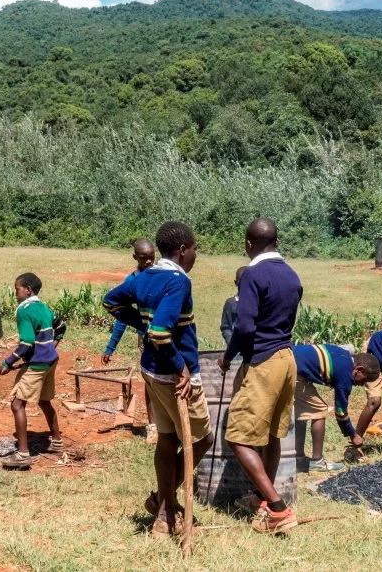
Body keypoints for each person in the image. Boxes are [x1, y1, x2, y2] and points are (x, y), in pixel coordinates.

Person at [103, 221, 213, 538]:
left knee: (167, 438)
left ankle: (163, 515)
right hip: (175, 376)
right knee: (203, 439)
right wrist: (181, 368)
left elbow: (111, 302)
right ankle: (165, 507)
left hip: (150, 371)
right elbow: (161, 332)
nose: (195, 255)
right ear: (182, 249)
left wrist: (140, 322)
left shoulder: (144, 277)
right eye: (194, 249)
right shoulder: (178, 282)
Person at [220, 217, 303, 534]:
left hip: (264, 362)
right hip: (287, 359)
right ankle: (261, 500)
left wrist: (228, 357)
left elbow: (244, 326)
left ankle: (278, 509)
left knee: (238, 437)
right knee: (271, 435)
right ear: (277, 242)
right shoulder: (292, 275)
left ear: (248, 244)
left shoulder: (253, 274)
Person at [0, 272, 63, 466]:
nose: (15, 293)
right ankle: (57, 442)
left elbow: (26, 342)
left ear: (28, 290)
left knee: (17, 405)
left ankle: (23, 455)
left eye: (17, 289)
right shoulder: (43, 307)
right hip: (51, 361)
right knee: (44, 401)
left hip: (38, 365)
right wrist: (50, 346)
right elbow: (61, 325)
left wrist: (8, 362)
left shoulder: (24, 310)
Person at [102, 238, 158, 444]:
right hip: (146, 339)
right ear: (135, 257)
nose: (149, 262)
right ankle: (153, 427)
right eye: (144, 258)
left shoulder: (161, 275)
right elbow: (122, 318)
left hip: (167, 336)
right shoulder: (132, 281)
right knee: (151, 382)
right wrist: (111, 347)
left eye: (152, 257)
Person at [291, 344, 379, 472]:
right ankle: (317, 462)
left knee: (304, 411)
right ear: (359, 370)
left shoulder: (344, 357)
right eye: (365, 380)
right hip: (294, 370)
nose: (362, 384)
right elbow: (340, 412)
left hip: (290, 361)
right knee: (319, 410)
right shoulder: (346, 375)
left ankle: (298, 458)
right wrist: (353, 435)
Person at [220, 266, 246, 349]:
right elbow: (226, 327)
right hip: (236, 349)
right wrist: (232, 345)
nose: (245, 284)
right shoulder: (231, 303)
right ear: (236, 283)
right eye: (241, 281)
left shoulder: (258, 302)